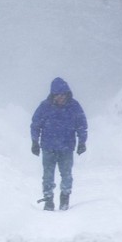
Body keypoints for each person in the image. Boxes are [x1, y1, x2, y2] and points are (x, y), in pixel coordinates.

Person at [30, 77, 88, 211]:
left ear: (67, 94)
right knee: (48, 175)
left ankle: (65, 198)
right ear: (53, 95)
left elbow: (82, 125)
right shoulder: (45, 107)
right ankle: (48, 200)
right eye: (58, 95)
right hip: (48, 147)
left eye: (63, 95)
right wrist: (35, 142)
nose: (61, 98)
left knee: (66, 174)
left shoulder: (74, 107)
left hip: (67, 148)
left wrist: (82, 142)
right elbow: (35, 125)